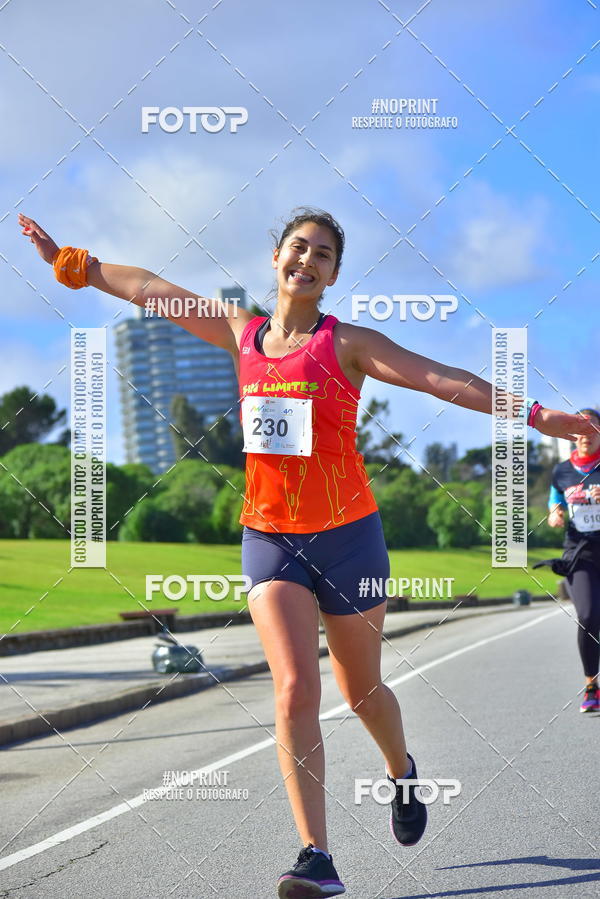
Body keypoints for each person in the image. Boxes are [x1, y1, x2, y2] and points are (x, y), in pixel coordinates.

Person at [18, 207, 597, 898]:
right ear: (276, 258)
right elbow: (150, 288)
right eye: (299, 247)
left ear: (332, 274)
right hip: (269, 537)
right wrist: (74, 266)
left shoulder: (348, 343)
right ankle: (317, 857)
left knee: (364, 692)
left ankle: (401, 770)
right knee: (295, 686)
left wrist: (536, 416)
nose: (308, 260)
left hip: (350, 535)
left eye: (323, 254)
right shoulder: (241, 333)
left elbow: (439, 377)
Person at [545, 408, 600, 714]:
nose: (585, 436)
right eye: (580, 429)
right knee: (589, 616)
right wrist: (555, 512)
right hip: (580, 553)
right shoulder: (562, 471)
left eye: (592, 430)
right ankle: (592, 685)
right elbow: (555, 497)